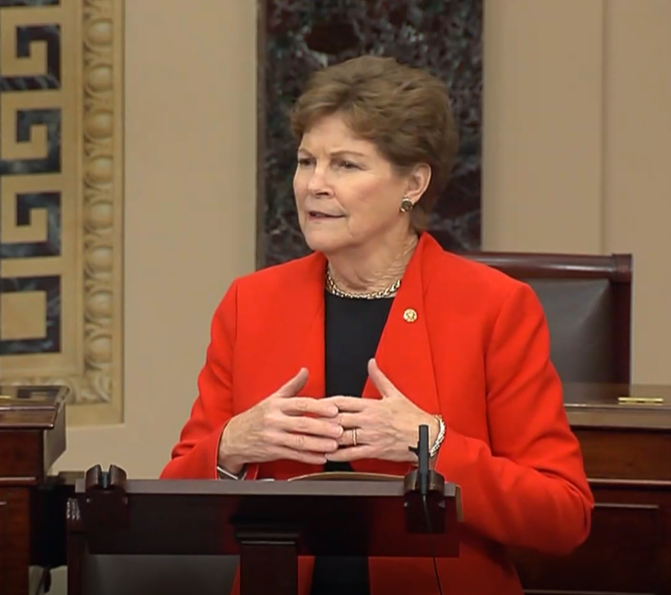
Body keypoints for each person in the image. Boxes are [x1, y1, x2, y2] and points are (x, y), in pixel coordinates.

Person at [161, 55, 593, 595]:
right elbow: (171, 505)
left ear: (412, 182)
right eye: (305, 162)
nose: (313, 185)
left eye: (345, 165)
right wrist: (230, 446)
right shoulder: (251, 303)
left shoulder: (495, 308)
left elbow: (562, 516)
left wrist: (432, 445)